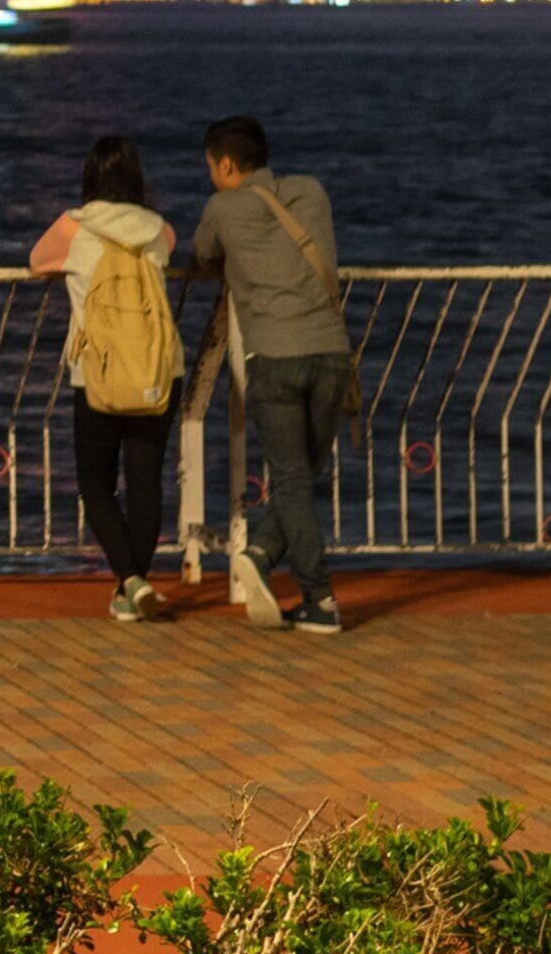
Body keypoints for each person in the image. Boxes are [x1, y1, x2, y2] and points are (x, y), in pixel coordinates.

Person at [190, 114, 351, 636]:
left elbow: (203, 254)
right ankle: (259, 553)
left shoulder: (222, 207)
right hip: (331, 352)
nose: (212, 176)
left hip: (275, 360)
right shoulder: (311, 193)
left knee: (290, 479)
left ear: (227, 165)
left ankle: (320, 598)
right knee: (303, 476)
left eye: (212, 167)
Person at [26, 135, 181, 622]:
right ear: (137, 179)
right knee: (146, 484)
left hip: (97, 372)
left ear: (90, 177)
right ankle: (133, 587)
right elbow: (171, 253)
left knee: (96, 483)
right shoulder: (160, 231)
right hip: (157, 370)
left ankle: (130, 582)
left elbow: (36, 262)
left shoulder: (73, 226)